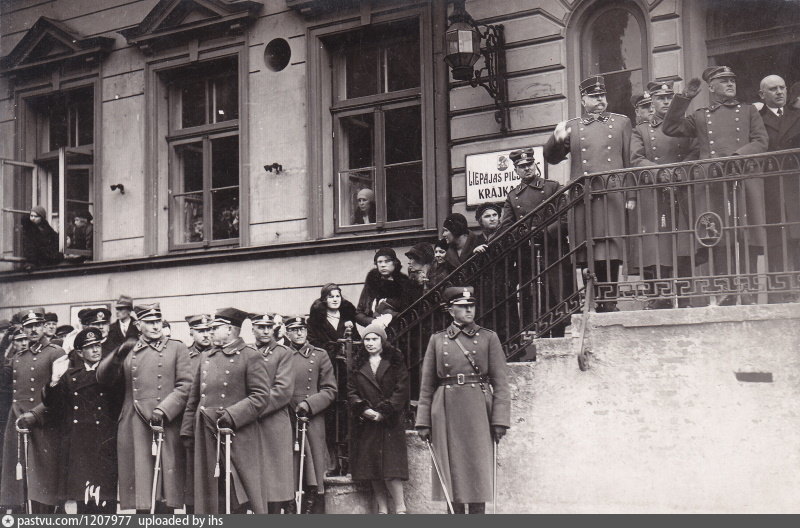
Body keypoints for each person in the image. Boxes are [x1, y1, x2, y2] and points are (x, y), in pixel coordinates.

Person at [662, 66, 768, 304]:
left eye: (732, 80)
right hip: (712, 183)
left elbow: (761, 141)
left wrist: (736, 157)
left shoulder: (748, 111)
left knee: (746, 235)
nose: (730, 84)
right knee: (719, 236)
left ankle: (748, 291)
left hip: (742, 178)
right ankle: (725, 291)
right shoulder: (701, 116)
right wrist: (684, 99)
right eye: (724, 81)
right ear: (711, 87)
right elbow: (670, 128)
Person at [415, 287, 510, 514]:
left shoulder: (488, 337)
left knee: (478, 471)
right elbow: (427, 385)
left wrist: (500, 420)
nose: (469, 310)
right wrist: (423, 421)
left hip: (478, 409)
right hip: (446, 409)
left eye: (471, 305)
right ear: (450, 310)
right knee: (451, 473)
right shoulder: (437, 340)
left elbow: (501, 383)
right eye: (462, 306)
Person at [543, 75, 633, 312]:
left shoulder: (621, 123)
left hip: (612, 195)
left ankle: (609, 301)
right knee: (587, 250)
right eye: (594, 96)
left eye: (602, 95)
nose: (600, 100)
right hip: (584, 198)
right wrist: (556, 139)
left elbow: (629, 161)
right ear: (583, 100)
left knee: (611, 248)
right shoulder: (572, 127)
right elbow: (551, 158)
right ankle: (592, 300)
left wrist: (630, 196)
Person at [96, 303, 192, 513]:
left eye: (158, 321)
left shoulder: (177, 348)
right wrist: (117, 354)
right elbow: (103, 379)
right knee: (142, 488)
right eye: (149, 322)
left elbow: (186, 385)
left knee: (165, 489)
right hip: (135, 423)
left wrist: (164, 410)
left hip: (165, 422)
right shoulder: (129, 349)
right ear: (138, 325)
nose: (156, 326)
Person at [180, 308, 270, 514]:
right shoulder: (206, 356)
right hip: (206, 433)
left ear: (229, 329)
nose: (210, 331)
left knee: (236, 491)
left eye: (215, 328)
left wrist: (232, 415)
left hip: (236, 434)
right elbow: (194, 398)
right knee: (211, 492)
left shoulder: (250, 356)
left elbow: (261, 396)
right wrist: (187, 431)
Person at [629, 80, 699, 309]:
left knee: (685, 244)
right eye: (660, 98)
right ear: (652, 103)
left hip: (683, 188)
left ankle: (686, 297)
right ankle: (661, 296)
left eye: (669, 97)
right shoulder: (641, 130)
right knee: (658, 245)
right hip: (655, 192)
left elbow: (696, 150)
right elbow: (636, 159)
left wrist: (681, 170)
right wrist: (660, 172)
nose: (666, 102)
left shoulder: (685, 126)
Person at [43, 328, 121, 513]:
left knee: (104, 500)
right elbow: (54, 406)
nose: (96, 350)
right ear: (79, 352)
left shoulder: (112, 372)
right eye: (90, 347)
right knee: (83, 501)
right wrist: (54, 380)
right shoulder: (70, 376)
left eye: (98, 345)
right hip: (79, 445)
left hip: (104, 443)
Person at [495, 148, 571, 336]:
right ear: (516, 170)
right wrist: (525, 235)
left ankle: (559, 336)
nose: (527, 168)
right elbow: (506, 227)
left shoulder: (552, 187)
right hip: (528, 255)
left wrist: (544, 233)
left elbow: (565, 217)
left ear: (535, 165)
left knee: (556, 296)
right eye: (522, 166)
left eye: (529, 164)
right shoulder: (513, 196)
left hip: (553, 251)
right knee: (535, 300)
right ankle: (540, 338)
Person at [0, 311, 65, 513]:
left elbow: (60, 394)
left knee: (44, 479)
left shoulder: (56, 353)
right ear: (23, 329)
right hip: (19, 422)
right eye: (29, 326)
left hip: (44, 422)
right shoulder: (18, 357)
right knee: (20, 478)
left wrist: (36, 414)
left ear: (45, 326)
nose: (33, 330)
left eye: (37, 325)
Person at [347, 323, 409, 514]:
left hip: (390, 422)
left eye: (374, 339)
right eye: (367, 339)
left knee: (392, 469)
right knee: (374, 469)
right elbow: (351, 391)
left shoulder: (395, 360)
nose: (370, 343)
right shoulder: (357, 363)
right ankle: (382, 510)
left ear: (382, 340)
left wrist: (385, 411)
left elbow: (402, 388)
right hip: (368, 422)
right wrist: (364, 409)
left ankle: (400, 509)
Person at [285, 316, 336, 514]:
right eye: (294, 329)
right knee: (289, 464)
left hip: (311, 417)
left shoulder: (319, 355)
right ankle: (290, 508)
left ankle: (313, 509)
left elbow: (330, 390)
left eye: (302, 329)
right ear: (286, 333)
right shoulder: (282, 355)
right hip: (287, 415)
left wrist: (309, 404)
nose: (299, 333)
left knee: (314, 465)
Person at [308, 284, 360, 476]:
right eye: (331, 296)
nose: (335, 299)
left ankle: (348, 461)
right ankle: (333, 462)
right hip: (328, 372)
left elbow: (356, 342)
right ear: (324, 300)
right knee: (331, 418)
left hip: (347, 373)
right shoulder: (316, 321)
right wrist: (334, 349)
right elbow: (314, 343)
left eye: (338, 296)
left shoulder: (347, 319)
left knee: (346, 415)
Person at [758, 75, 800, 302]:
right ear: (762, 94)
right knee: (776, 239)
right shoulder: (756, 118)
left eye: (782, 87)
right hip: (771, 186)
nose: (780, 92)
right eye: (773, 89)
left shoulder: (797, 115)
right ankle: (780, 293)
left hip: (796, 184)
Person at [249, 313, 295, 513]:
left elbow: (282, 390)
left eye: (269, 327)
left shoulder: (283, 353)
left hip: (273, 420)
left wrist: (251, 409)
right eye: (261, 327)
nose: (266, 331)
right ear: (253, 329)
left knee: (275, 478)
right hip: (249, 423)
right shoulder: (246, 351)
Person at [182, 314, 213, 514]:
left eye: (209, 330)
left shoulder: (219, 354)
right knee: (192, 478)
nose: (206, 335)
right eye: (201, 331)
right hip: (191, 424)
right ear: (191, 332)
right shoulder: (184, 357)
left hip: (213, 424)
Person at [355, 248, 415, 328]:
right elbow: (359, 314)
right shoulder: (372, 282)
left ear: (394, 262)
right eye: (379, 262)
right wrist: (373, 321)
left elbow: (410, 315)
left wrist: (391, 317)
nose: (383, 265)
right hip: (375, 331)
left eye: (387, 261)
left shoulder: (404, 284)